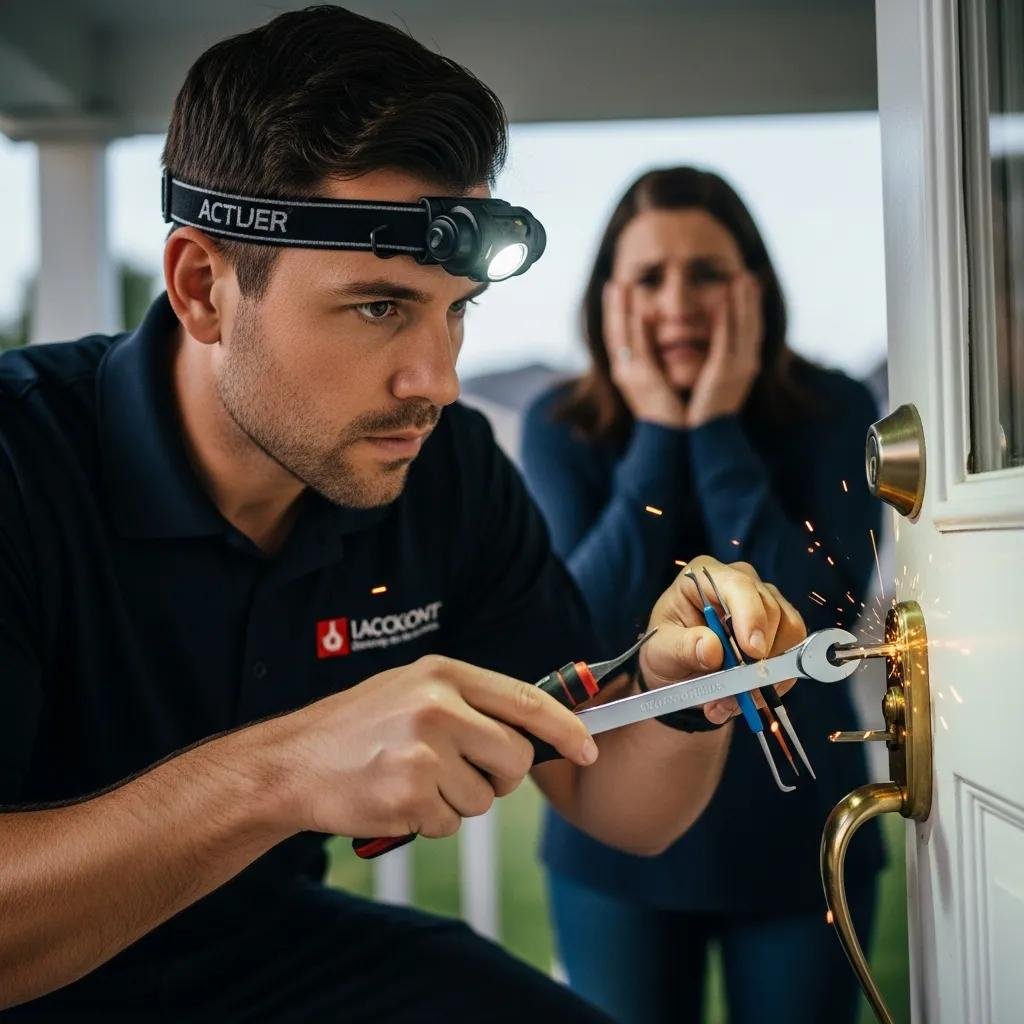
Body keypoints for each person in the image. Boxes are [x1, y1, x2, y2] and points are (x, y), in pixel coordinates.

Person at [0, 13, 810, 1022]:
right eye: (379, 307)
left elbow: (624, 809)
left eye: (454, 308)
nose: (437, 380)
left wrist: (679, 685)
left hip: (272, 950)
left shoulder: (443, 468)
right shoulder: (16, 464)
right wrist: (282, 770)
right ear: (203, 288)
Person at [523, 167, 885, 1024]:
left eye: (707, 273)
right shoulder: (559, 425)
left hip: (800, 844)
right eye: (650, 278)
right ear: (610, 299)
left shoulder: (832, 409)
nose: (678, 302)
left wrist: (716, 425)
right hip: (613, 849)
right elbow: (578, 629)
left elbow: (809, 626)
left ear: (752, 288)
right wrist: (657, 428)